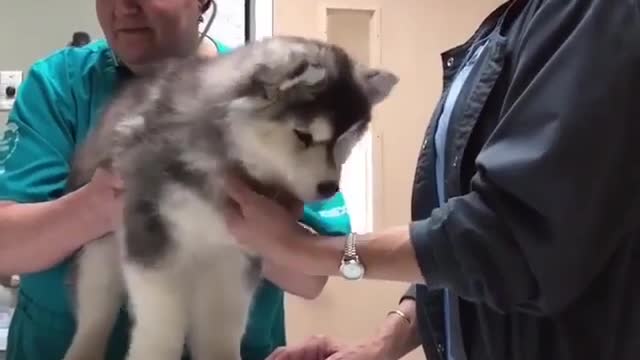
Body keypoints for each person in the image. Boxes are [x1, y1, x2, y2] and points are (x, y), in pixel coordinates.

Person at [222, 0, 640, 359]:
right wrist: (384, 341)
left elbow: (507, 240)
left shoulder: (594, 13)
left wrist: (300, 247)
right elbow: (463, 262)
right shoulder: (506, 28)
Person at [0, 0, 351, 359]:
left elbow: (311, 277)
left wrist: (221, 216)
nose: (123, 6)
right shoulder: (60, 85)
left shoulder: (270, 94)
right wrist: (101, 203)